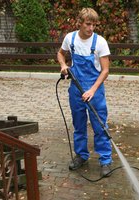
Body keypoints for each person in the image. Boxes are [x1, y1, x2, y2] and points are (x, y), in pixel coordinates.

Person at [57, 8, 112, 177]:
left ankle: (105, 160)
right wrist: (63, 65)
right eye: (88, 24)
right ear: (79, 22)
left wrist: (92, 90)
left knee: (100, 125)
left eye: (94, 25)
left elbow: (105, 71)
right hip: (75, 88)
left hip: (94, 89)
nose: (91, 28)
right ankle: (81, 155)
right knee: (79, 124)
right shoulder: (70, 38)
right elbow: (60, 53)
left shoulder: (100, 42)